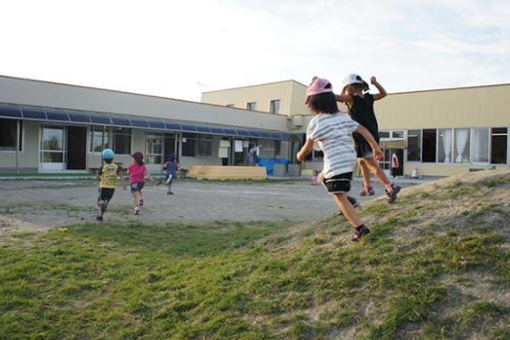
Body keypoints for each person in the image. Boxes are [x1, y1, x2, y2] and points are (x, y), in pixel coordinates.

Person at [297, 77, 383, 242]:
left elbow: (307, 147)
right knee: (323, 177)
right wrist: (375, 147)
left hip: (337, 162)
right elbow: (363, 129)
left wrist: (300, 156)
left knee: (338, 195)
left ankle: (360, 228)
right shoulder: (343, 118)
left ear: (313, 104)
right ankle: (351, 201)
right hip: (347, 159)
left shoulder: (316, 123)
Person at [336, 74, 400, 203]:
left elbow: (335, 97)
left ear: (350, 88)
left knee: (371, 163)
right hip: (373, 134)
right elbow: (384, 93)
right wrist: (375, 83)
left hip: (361, 135)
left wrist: (339, 90)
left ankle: (390, 186)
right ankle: (367, 187)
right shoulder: (369, 97)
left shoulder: (351, 99)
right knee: (362, 161)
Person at [95, 148, 127, 221]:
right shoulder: (116, 167)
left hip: (103, 187)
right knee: (107, 199)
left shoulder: (103, 167)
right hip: (112, 188)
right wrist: (124, 185)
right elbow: (121, 176)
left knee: (99, 202)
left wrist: (100, 179)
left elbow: (97, 177)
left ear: (103, 158)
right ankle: (100, 216)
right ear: (113, 158)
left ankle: (102, 203)